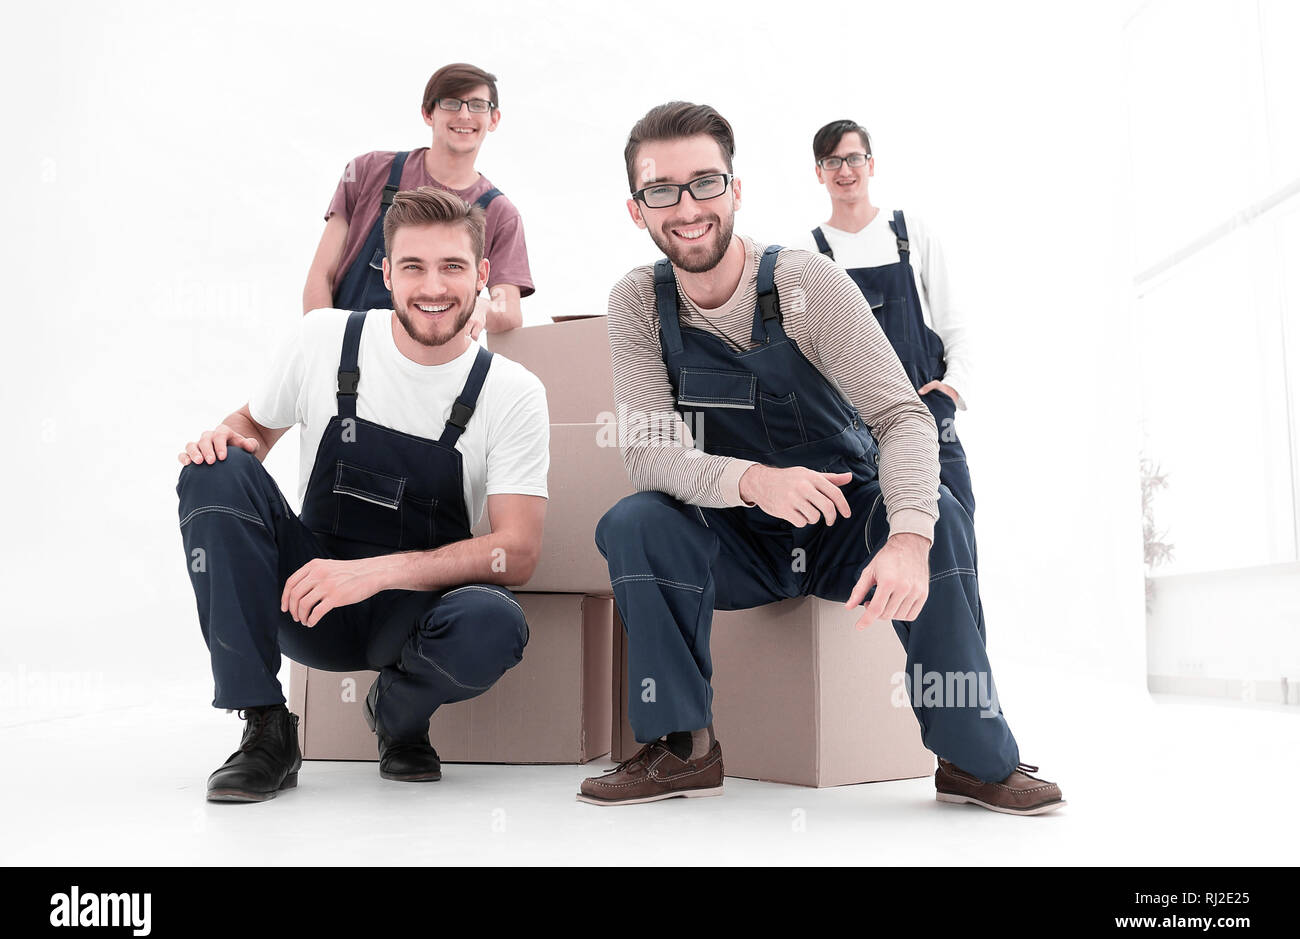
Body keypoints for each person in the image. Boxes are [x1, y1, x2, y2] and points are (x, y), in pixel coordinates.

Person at [578, 102, 1064, 815]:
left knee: (943, 521)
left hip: (844, 528)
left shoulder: (808, 285)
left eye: (706, 183)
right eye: (663, 190)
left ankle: (971, 757)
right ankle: (681, 747)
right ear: (636, 210)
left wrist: (905, 538)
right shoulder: (636, 303)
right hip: (736, 535)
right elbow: (650, 451)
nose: (687, 207)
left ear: (736, 190)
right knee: (634, 522)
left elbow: (903, 418)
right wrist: (752, 482)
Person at [177, 187, 550, 802]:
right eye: (413, 266)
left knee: (495, 622)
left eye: (453, 267)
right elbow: (252, 430)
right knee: (213, 474)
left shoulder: (511, 391)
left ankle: (399, 719)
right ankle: (266, 727)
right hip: (306, 601)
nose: (434, 287)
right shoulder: (324, 339)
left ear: (483, 274)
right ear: (385, 272)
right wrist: (219, 443)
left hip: (412, 618)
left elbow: (520, 551)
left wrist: (373, 574)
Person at [797, 120, 976, 517]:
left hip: (926, 414)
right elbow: (804, 354)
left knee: (953, 520)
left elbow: (954, 325)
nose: (845, 170)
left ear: (871, 164)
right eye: (832, 160)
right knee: (872, 534)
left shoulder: (909, 232)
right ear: (818, 172)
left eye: (854, 158)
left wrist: (951, 390)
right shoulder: (808, 254)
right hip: (852, 425)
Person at [303, 62, 533, 337]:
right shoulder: (368, 171)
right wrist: (325, 347)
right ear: (427, 113)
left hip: (434, 370)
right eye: (451, 103)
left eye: (477, 105)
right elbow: (321, 276)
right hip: (348, 355)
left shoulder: (500, 213)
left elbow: (509, 309)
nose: (464, 114)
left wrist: (483, 306)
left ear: (493, 119)